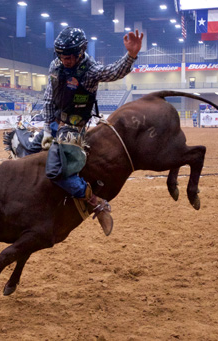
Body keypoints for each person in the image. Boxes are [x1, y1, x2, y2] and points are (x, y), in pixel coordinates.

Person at [40, 27, 143, 236]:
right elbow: (49, 98)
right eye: (61, 55)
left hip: (74, 127)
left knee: (53, 170)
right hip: (54, 122)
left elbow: (113, 72)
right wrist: (46, 129)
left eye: (69, 56)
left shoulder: (90, 70)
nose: (65, 60)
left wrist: (130, 56)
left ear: (80, 52)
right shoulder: (55, 66)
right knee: (25, 151)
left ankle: (96, 202)